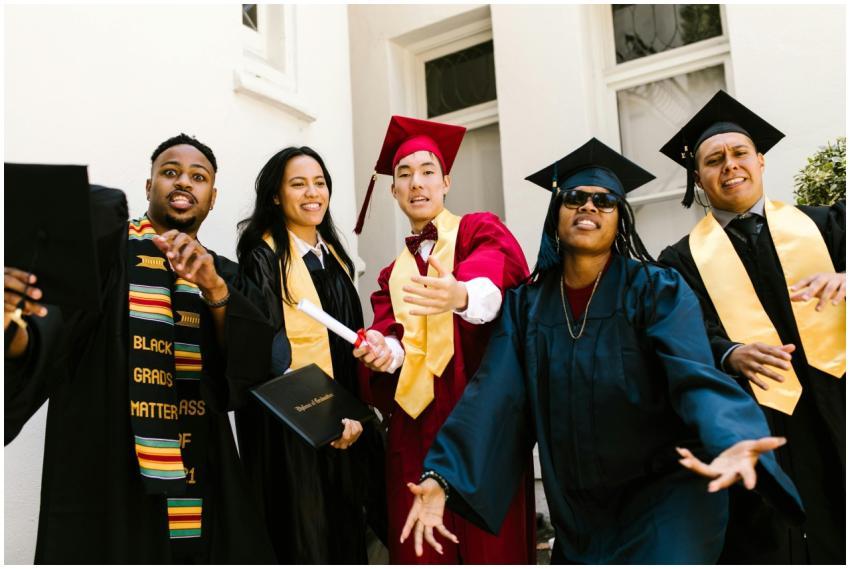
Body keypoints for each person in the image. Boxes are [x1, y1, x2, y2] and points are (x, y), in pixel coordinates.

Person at [399, 138, 804, 564]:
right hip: (580, 509)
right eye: (574, 198)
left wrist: (734, 436)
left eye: (605, 201)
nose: (589, 207)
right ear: (556, 216)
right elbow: (494, 396)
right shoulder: (526, 307)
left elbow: (696, 377)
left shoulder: (656, 290)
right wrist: (443, 474)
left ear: (620, 220)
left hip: (667, 496)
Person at [4, 134, 276, 563]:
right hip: (108, 461)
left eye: (197, 177)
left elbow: (253, 367)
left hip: (197, 465)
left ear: (212, 198)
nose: (183, 182)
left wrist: (214, 289)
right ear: (148, 186)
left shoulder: (224, 275)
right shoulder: (104, 255)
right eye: (170, 172)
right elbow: (48, 335)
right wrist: (12, 328)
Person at [657, 90, 845, 563]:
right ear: (697, 177)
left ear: (761, 161)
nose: (730, 166)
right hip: (761, 416)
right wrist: (728, 353)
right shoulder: (680, 260)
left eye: (740, 153)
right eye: (713, 160)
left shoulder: (826, 226)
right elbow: (684, 331)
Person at [352, 115, 535, 564]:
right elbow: (394, 335)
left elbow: (500, 273)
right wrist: (382, 353)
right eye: (404, 174)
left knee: (488, 547)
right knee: (422, 551)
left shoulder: (478, 231)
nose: (417, 183)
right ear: (393, 190)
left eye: (427, 171)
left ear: (447, 181)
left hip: (478, 420)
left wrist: (462, 292)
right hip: (415, 431)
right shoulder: (390, 275)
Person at [233, 146, 387, 563]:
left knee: (347, 531)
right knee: (307, 536)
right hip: (294, 428)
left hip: (345, 419)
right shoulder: (262, 259)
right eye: (298, 184)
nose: (312, 192)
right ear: (275, 197)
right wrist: (324, 418)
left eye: (319, 183)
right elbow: (270, 354)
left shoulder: (334, 255)